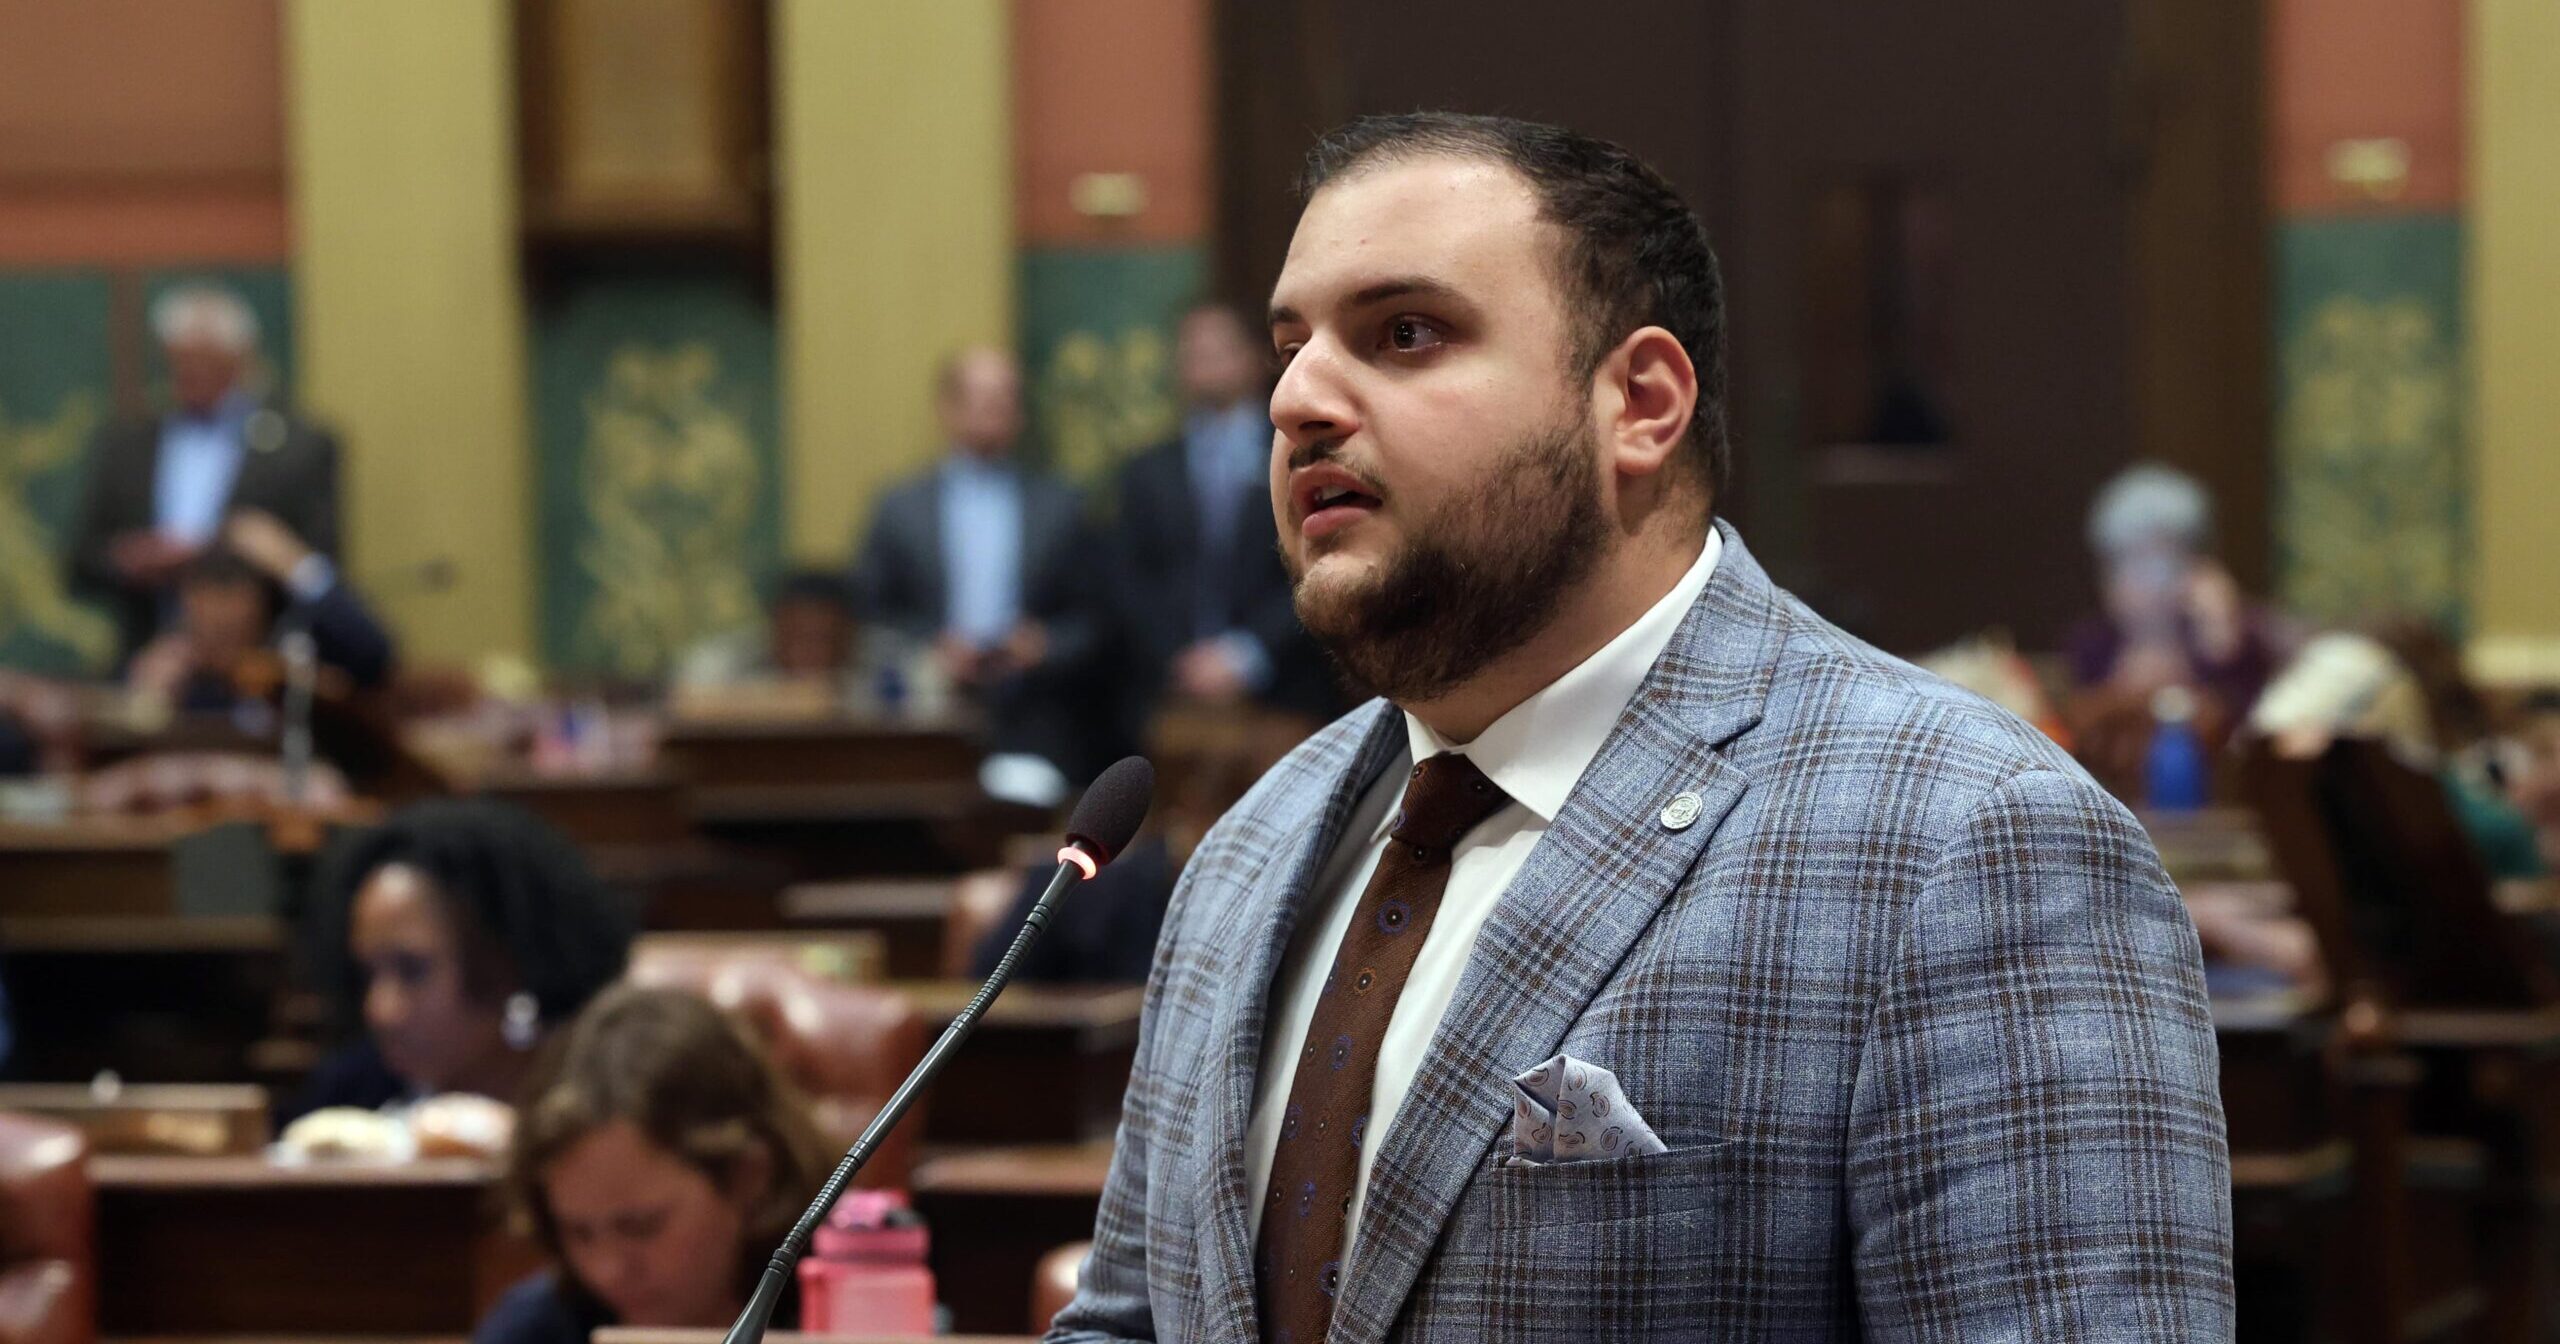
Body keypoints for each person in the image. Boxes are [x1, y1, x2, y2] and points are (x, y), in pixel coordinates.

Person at [1048, 113, 2228, 1342]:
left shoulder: (1971, 842)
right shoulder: (1250, 847)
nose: (1296, 401)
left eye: (1405, 333)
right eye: (1291, 347)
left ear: (1640, 402)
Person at [480, 983, 831, 1340]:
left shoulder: (854, 1307)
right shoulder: (532, 1330)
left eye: (641, 1226)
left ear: (749, 1176)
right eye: (578, 1232)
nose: (608, 1270)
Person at [286, 798, 635, 1126]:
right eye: (366, 975)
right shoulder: (347, 1099)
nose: (381, 1009)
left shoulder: (611, 1107)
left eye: (412, 969)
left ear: (509, 960)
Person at [851, 346, 1109, 783]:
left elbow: (1097, 619)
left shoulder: (1061, 505)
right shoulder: (900, 507)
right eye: (981, 399)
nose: (995, 411)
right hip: (926, 719)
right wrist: (931, 650)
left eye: (1006, 399)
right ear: (947, 408)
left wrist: (1042, 645)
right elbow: (870, 616)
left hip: (1036, 716)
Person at [63, 284, 343, 663]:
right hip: (147, 660)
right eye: (179, 361)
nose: (190, 373)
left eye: (205, 361)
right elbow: (80, 561)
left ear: (240, 359)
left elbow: (319, 570)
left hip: (258, 667)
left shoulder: (299, 447)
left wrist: (215, 556)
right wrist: (128, 560)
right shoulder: (127, 443)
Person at [1110, 304, 1344, 734]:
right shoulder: (1146, 470)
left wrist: (1247, 654)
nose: (1204, 362)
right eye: (1191, 351)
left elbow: (1322, 562)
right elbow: (1130, 580)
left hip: (1286, 690)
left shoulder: (1302, 455)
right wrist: (1180, 661)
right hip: (1169, 692)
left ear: (1254, 357)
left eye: (1218, 349)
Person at [2061, 463, 2293, 795]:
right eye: (2129, 562)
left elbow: (2255, 733)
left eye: (2163, 564)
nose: (2150, 585)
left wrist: (2222, 644)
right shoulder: (2092, 642)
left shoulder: (2233, 636)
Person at [125, 511, 394, 715]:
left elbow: (374, 654)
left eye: (231, 629)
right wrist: (148, 702)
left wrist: (295, 564)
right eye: (209, 628)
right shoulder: (181, 679)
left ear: (263, 614)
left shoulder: (296, 674)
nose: (220, 640)